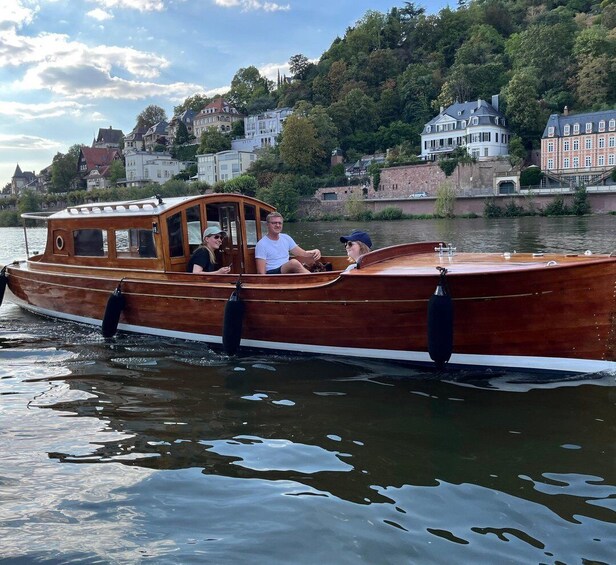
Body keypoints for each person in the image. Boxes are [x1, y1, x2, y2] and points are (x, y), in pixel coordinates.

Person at [255, 212, 321, 274]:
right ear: (267, 225)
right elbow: (261, 273)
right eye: (274, 223)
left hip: (286, 271)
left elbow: (302, 253)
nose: (277, 225)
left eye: (280, 223)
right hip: (273, 274)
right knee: (293, 263)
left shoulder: (286, 238)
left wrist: (315, 251)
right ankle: (315, 279)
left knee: (312, 258)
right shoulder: (261, 244)